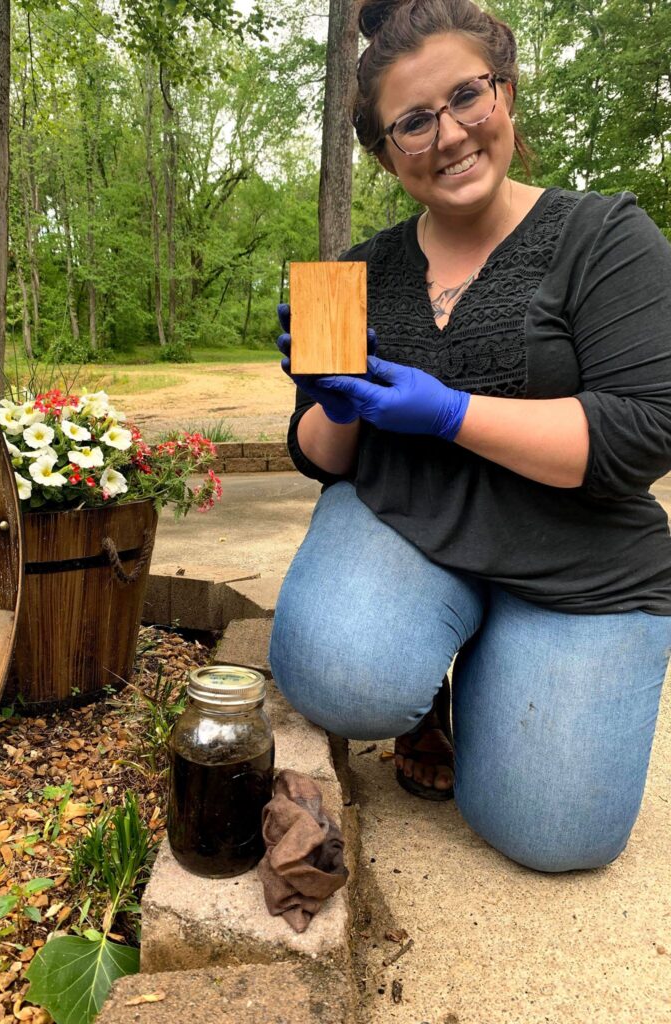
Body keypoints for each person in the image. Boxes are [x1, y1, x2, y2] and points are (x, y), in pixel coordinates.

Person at [269, 0, 671, 873]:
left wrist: (450, 412)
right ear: (385, 153)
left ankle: (493, 655)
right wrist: (334, 402)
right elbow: (314, 455)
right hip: (409, 523)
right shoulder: (356, 273)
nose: (448, 135)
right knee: (339, 671)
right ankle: (423, 681)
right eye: (412, 123)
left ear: (506, 91)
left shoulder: (608, 236)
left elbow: (645, 431)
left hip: (579, 557)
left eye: (466, 98)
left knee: (555, 837)